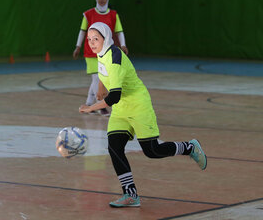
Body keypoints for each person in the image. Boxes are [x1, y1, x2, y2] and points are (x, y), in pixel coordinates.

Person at [79, 22, 207, 208]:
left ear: (106, 38)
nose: (91, 42)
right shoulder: (102, 52)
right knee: (114, 148)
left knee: (152, 150)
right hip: (122, 110)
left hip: (138, 105)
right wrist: (100, 88)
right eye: (89, 39)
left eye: (95, 39)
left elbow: (113, 96)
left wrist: (91, 107)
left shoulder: (115, 57)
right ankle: (130, 194)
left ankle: (189, 148)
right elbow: (102, 70)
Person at [73, 0, 128, 117]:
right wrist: (78, 46)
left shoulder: (113, 15)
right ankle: (101, 106)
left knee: (100, 78)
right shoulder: (89, 14)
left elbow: (119, 31)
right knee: (97, 78)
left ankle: (89, 104)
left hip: (106, 52)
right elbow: (82, 31)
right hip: (92, 51)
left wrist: (123, 44)